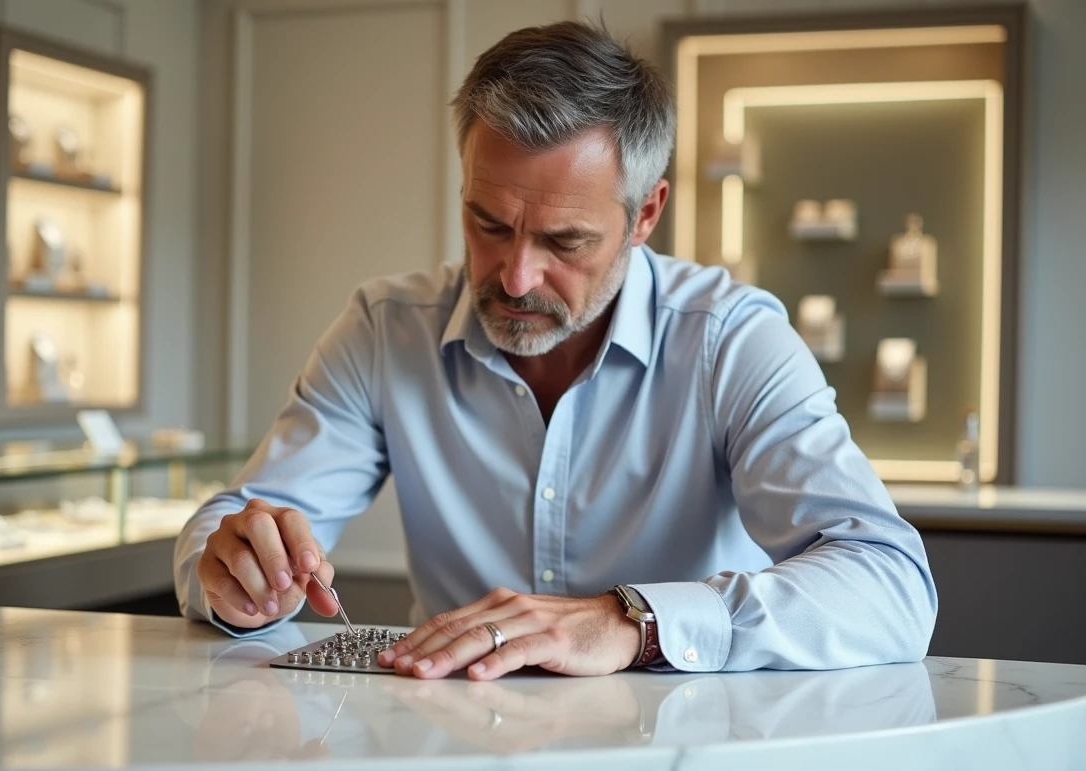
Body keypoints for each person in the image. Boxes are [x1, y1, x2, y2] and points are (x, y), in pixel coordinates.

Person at [174, 21, 937, 680]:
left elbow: (891, 585)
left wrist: (632, 622)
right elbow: (234, 524)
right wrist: (237, 574)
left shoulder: (731, 340)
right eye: (488, 223)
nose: (515, 276)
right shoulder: (384, 328)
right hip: (453, 755)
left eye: (565, 240)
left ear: (646, 215)